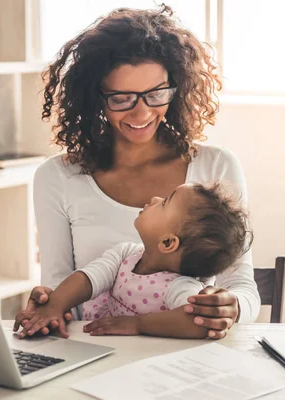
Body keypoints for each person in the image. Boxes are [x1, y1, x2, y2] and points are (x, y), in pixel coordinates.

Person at [16, 4, 260, 340]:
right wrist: (51, 304)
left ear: (177, 89)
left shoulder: (216, 166)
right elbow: (65, 290)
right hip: (93, 350)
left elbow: (242, 286)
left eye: (155, 94)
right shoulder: (57, 177)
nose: (142, 112)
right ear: (95, 98)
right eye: (122, 98)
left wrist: (232, 307)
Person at [16, 182, 252, 339]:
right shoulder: (125, 255)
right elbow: (88, 279)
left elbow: (198, 322)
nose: (155, 197)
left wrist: (138, 325)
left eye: (165, 202)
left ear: (168, 243)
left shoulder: (179, 286)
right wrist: (54, 305)